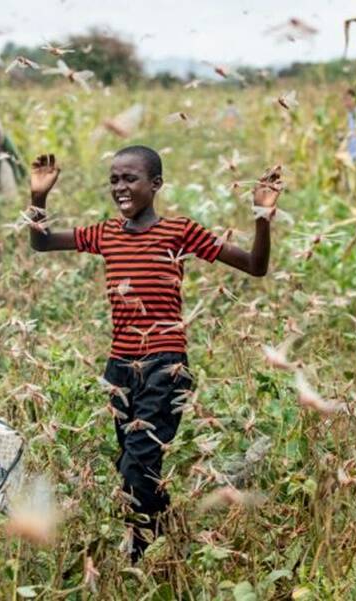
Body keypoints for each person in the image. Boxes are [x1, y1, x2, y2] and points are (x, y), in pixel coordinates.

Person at [26, 147, 282, 561]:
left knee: (137, 468)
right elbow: (41, 242)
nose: (120, 187)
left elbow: (255, 265)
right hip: (120, 370)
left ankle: (141, 557)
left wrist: (261, 216)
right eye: (114, 179)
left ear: (156, 184)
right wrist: (39, 196)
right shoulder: (106, 233)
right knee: (133, 467)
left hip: (165, 366)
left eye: (130, 179)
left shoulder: (179, 231)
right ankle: (166, 544)